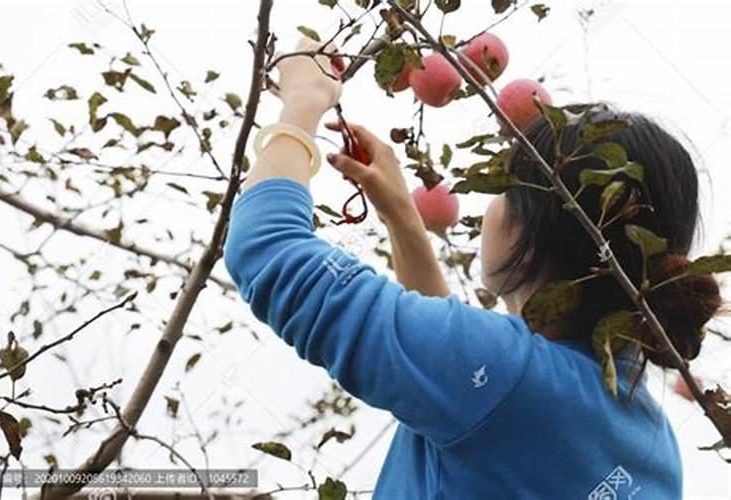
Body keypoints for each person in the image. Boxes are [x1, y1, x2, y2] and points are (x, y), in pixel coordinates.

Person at [223, 37, 725, 499]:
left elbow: (267, 249)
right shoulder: (650, 441)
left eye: (504, 189)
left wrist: (301, 106)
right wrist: (401, 212)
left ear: (530, 242)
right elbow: (468, 385)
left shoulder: (510, 377)